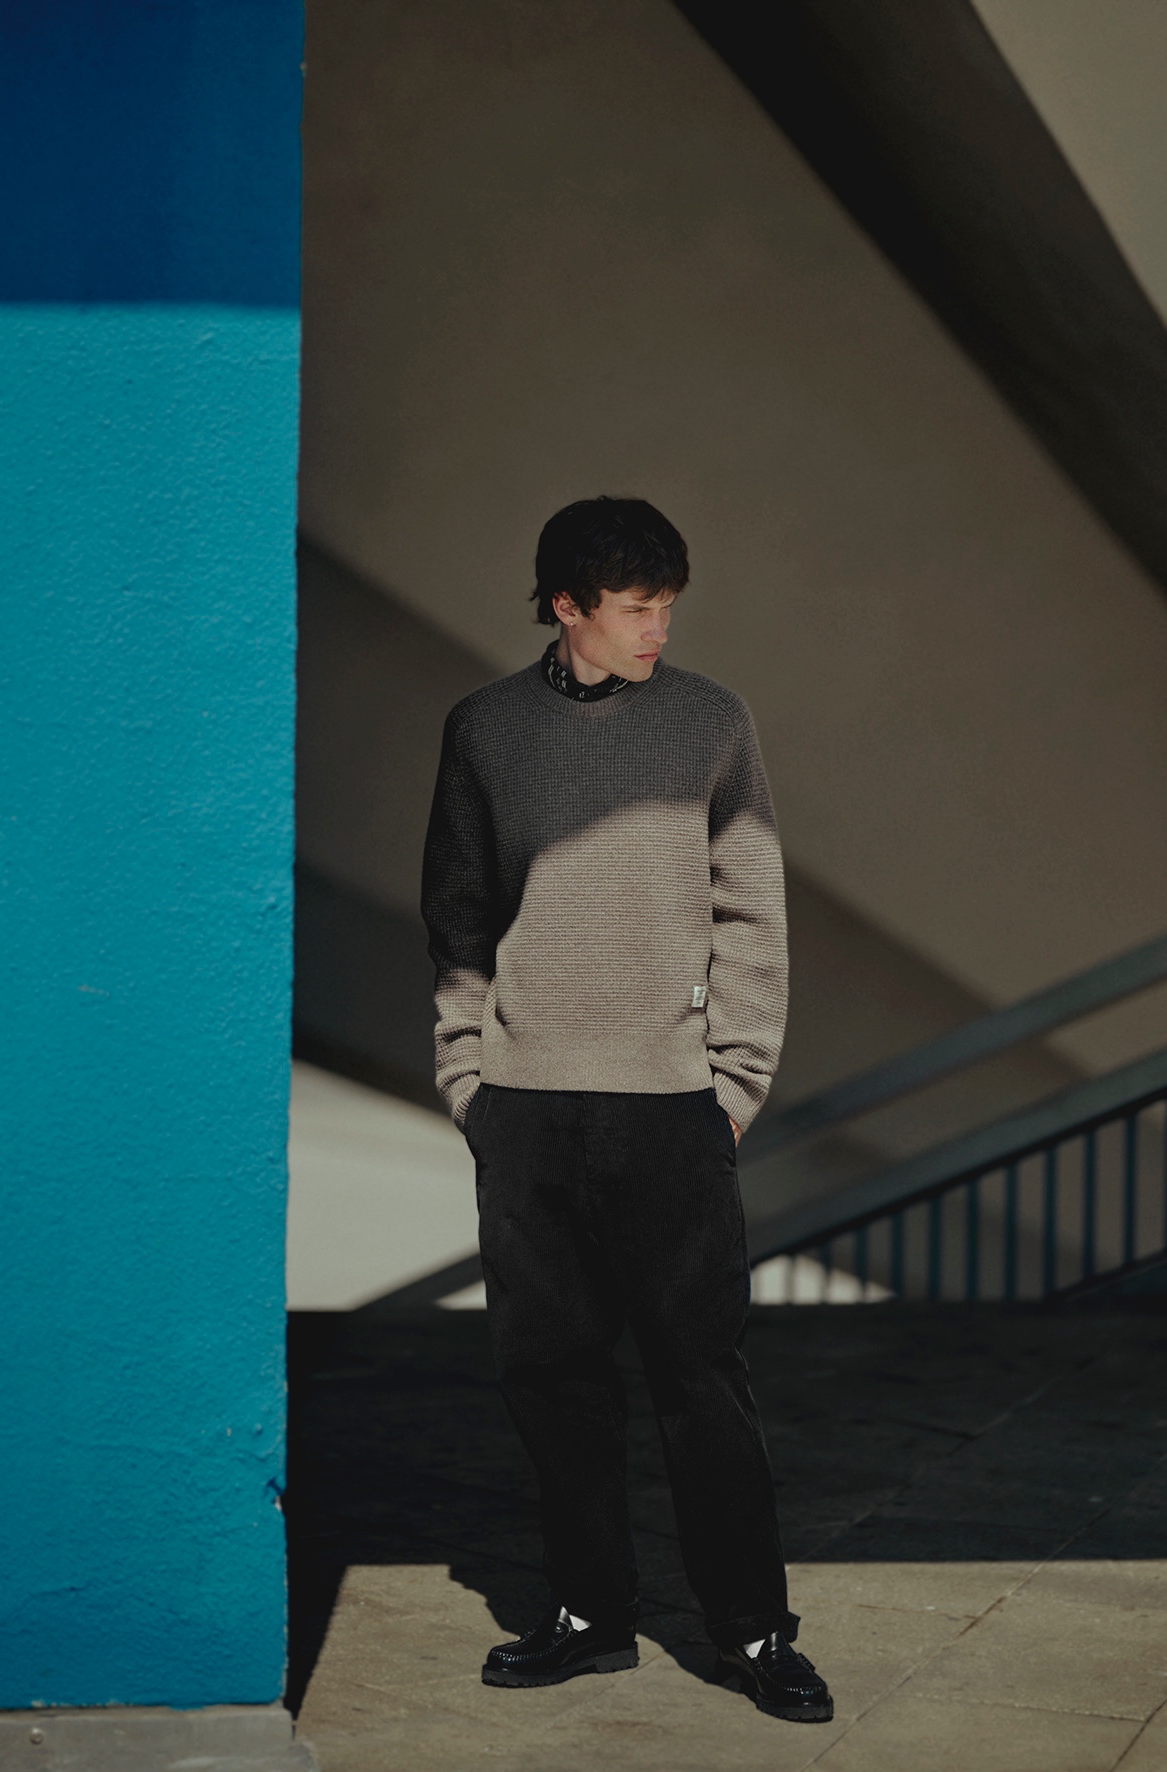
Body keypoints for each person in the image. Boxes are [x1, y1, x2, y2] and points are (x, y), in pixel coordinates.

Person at [421, 496, 833, 1724]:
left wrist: (733, 1084)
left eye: (667, 605)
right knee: (548, 1373)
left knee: (700, 1379)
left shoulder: (712, 723)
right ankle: (589, 1611)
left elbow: (751, 906)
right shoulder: (485, 729)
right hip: (528, 1105)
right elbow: (455, 913)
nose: (659, 627)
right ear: (567, 606)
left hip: (668, 1107)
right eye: (636, 607)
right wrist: (468, 1077)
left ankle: (753, 1630)